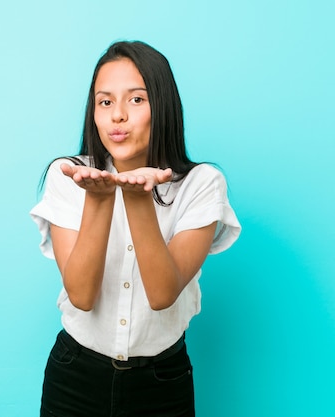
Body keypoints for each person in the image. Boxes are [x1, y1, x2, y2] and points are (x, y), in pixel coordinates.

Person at [30, 40, 241, 417]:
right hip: (74, 376)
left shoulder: (202, 184)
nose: (118, 116)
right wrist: (98, 199)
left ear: (163, 106)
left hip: (162, 383)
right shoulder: (69, 176)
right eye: (105, 101)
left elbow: (162, 293)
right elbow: (81, 295)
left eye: (137, 100)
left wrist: (138, 197)